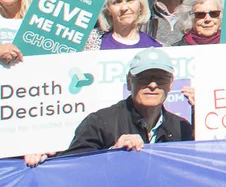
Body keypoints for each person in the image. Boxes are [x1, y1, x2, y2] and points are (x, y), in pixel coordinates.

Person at [65, 48, 194, 152]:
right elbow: (74, 168)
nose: (153, 85)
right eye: (144, 78)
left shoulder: (182, 129)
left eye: (161, 79)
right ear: (129, 82)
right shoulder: (99, 123)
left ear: (171, 84)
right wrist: (112, 152)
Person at [89, 0, 160, 50]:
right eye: (117, 2)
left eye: (130, 0)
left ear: (141, 5)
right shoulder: (92, 41)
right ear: (108, 9)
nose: (124, 8)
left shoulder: (154, 47)